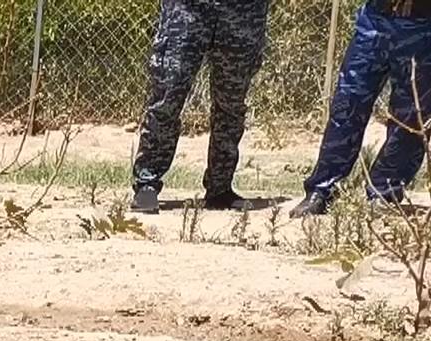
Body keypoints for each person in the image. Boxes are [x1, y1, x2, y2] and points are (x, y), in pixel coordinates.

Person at [130, 0, 273, 214]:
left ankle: (220, 187)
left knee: (231, 102)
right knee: (169, 95)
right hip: (188, 8)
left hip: (243, 10)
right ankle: (147, 183)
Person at [291, 0, 431, 217]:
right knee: (347, 105)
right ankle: (321, 190)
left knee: (412, 117)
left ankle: (384, 193)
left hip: (422, 25)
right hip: (376, 19)